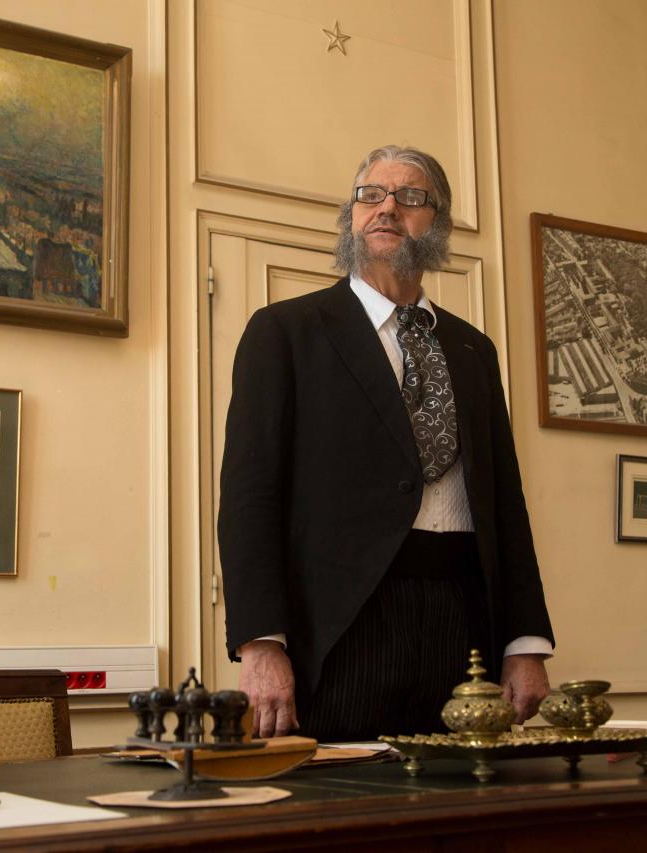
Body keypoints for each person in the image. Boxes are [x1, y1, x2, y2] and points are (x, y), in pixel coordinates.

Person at [218, 145, 555, 742]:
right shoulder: (286, 333)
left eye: (411, 197)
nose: (387, 208)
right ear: (352, 217)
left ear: (439, 224)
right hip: (342, 629)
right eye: (370, 195)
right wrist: (261, 643)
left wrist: (525, 642)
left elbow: (506, 502)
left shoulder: (475, 351)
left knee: (460, 810)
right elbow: (250, 497)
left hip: (464, 625)